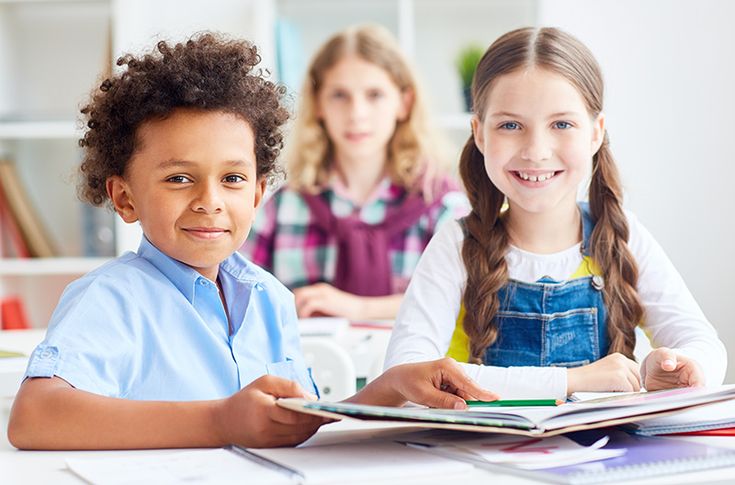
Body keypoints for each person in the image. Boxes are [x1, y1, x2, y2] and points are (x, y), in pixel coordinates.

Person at [6, 33, 496, 451]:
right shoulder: (110, 299)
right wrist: (220, 420)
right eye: (179, 178)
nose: (209, 201)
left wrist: (389, 390)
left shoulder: (269, 299)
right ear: (125, 197)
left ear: (260, 192)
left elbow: (295, 425)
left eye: (234, 179)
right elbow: (34, 417)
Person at [384, 27, 727, 399]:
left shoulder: (622, 235)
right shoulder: (456, 245)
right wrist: (572, 381)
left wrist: (679, 366)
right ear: (479, 134)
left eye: (561, 124)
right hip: (475, 454)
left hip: (602, 454)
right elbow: (407, 375)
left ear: (595, 133)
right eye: (510, 125)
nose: (536, 150)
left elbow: (702, 343)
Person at [242, 24, 469, 320]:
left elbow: (467, 301)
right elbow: (237, 294)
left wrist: (358, 309)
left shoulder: (442, 205)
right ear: (318, 103)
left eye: (374, 95)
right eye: (339, 95)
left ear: (404, 103)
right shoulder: (282, 207)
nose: (356, 114)